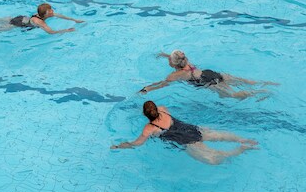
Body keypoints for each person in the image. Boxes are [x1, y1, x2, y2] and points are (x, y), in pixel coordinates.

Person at [112, 101, 257, 165]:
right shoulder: (163, 109)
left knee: (212, 160)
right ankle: (243, 140)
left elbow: (136, 144)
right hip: (191, 128)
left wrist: (119, 146)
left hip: (185, 140)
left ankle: (239, 150)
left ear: (145, 115)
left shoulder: (149, 129)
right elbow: (155, 111)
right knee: (219, 135)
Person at [139, 50, 276, 100]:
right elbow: (178, 58)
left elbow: (162, 84)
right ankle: (267, 83)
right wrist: (165, 55)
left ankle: (260, 92)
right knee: (242, 81)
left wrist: (147, 89)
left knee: (233, 95)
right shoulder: (186, 61)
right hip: (209, 73)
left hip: (206, 82)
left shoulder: (175, 75)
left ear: (173, 64)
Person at [0, 2, 83, 37]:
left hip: (21, 17)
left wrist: (75, 20)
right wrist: (66, 30)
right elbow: (51, 32)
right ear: (46, 14)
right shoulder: (40, 22)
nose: (53, 12)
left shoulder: (41, 15)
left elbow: (60, 16)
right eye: (51, 11)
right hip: (17, 24)